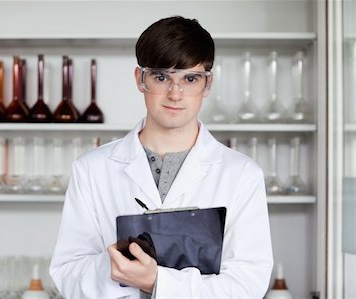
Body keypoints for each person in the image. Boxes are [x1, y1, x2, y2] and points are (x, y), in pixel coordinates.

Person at [50, 16, 273, 298]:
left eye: (190, 79)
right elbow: (68, 273)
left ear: (207, 84)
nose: (175, 93)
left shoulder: (241, 174)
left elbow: (247, 284)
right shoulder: (92, 169)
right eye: (161, 77)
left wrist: (156, 281)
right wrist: (116, 267)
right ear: (140, 79)